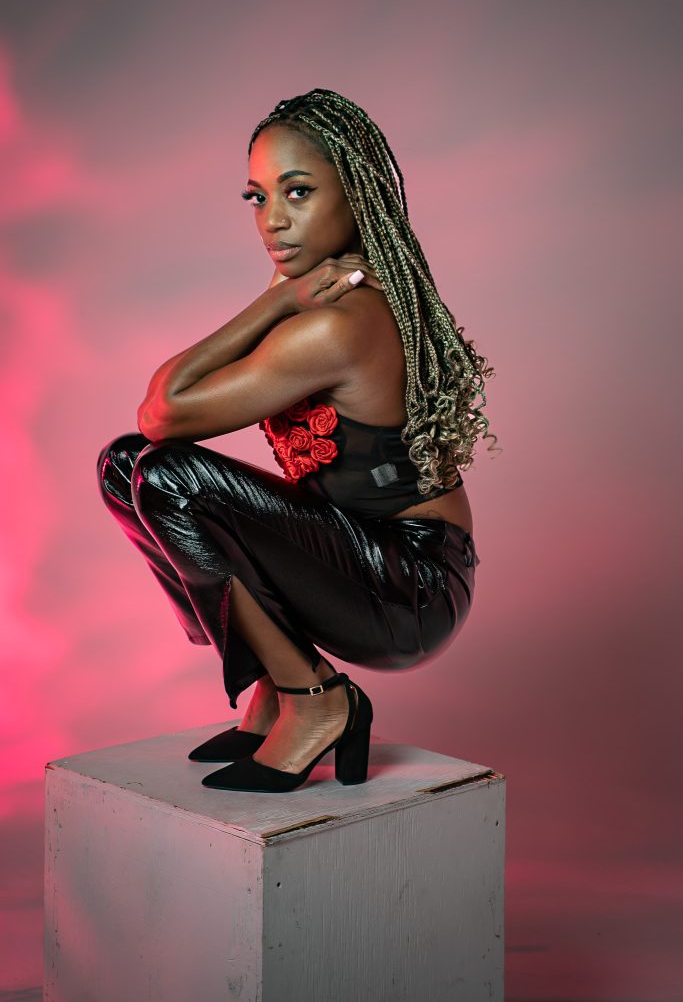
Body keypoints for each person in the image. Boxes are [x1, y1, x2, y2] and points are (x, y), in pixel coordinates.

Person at [96, 89, 497, 794]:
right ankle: (274, 687)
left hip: (412, 586)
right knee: (122, 466)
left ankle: (315, 701)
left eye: (299, 191)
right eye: (257, 197)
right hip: (360, 556)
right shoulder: (328, 302)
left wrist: (280, 297)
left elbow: (164, 409)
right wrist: (285, 294)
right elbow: (156, 419)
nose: (273, 220)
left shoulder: (338, 324)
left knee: (165, 474)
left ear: (356, 195)